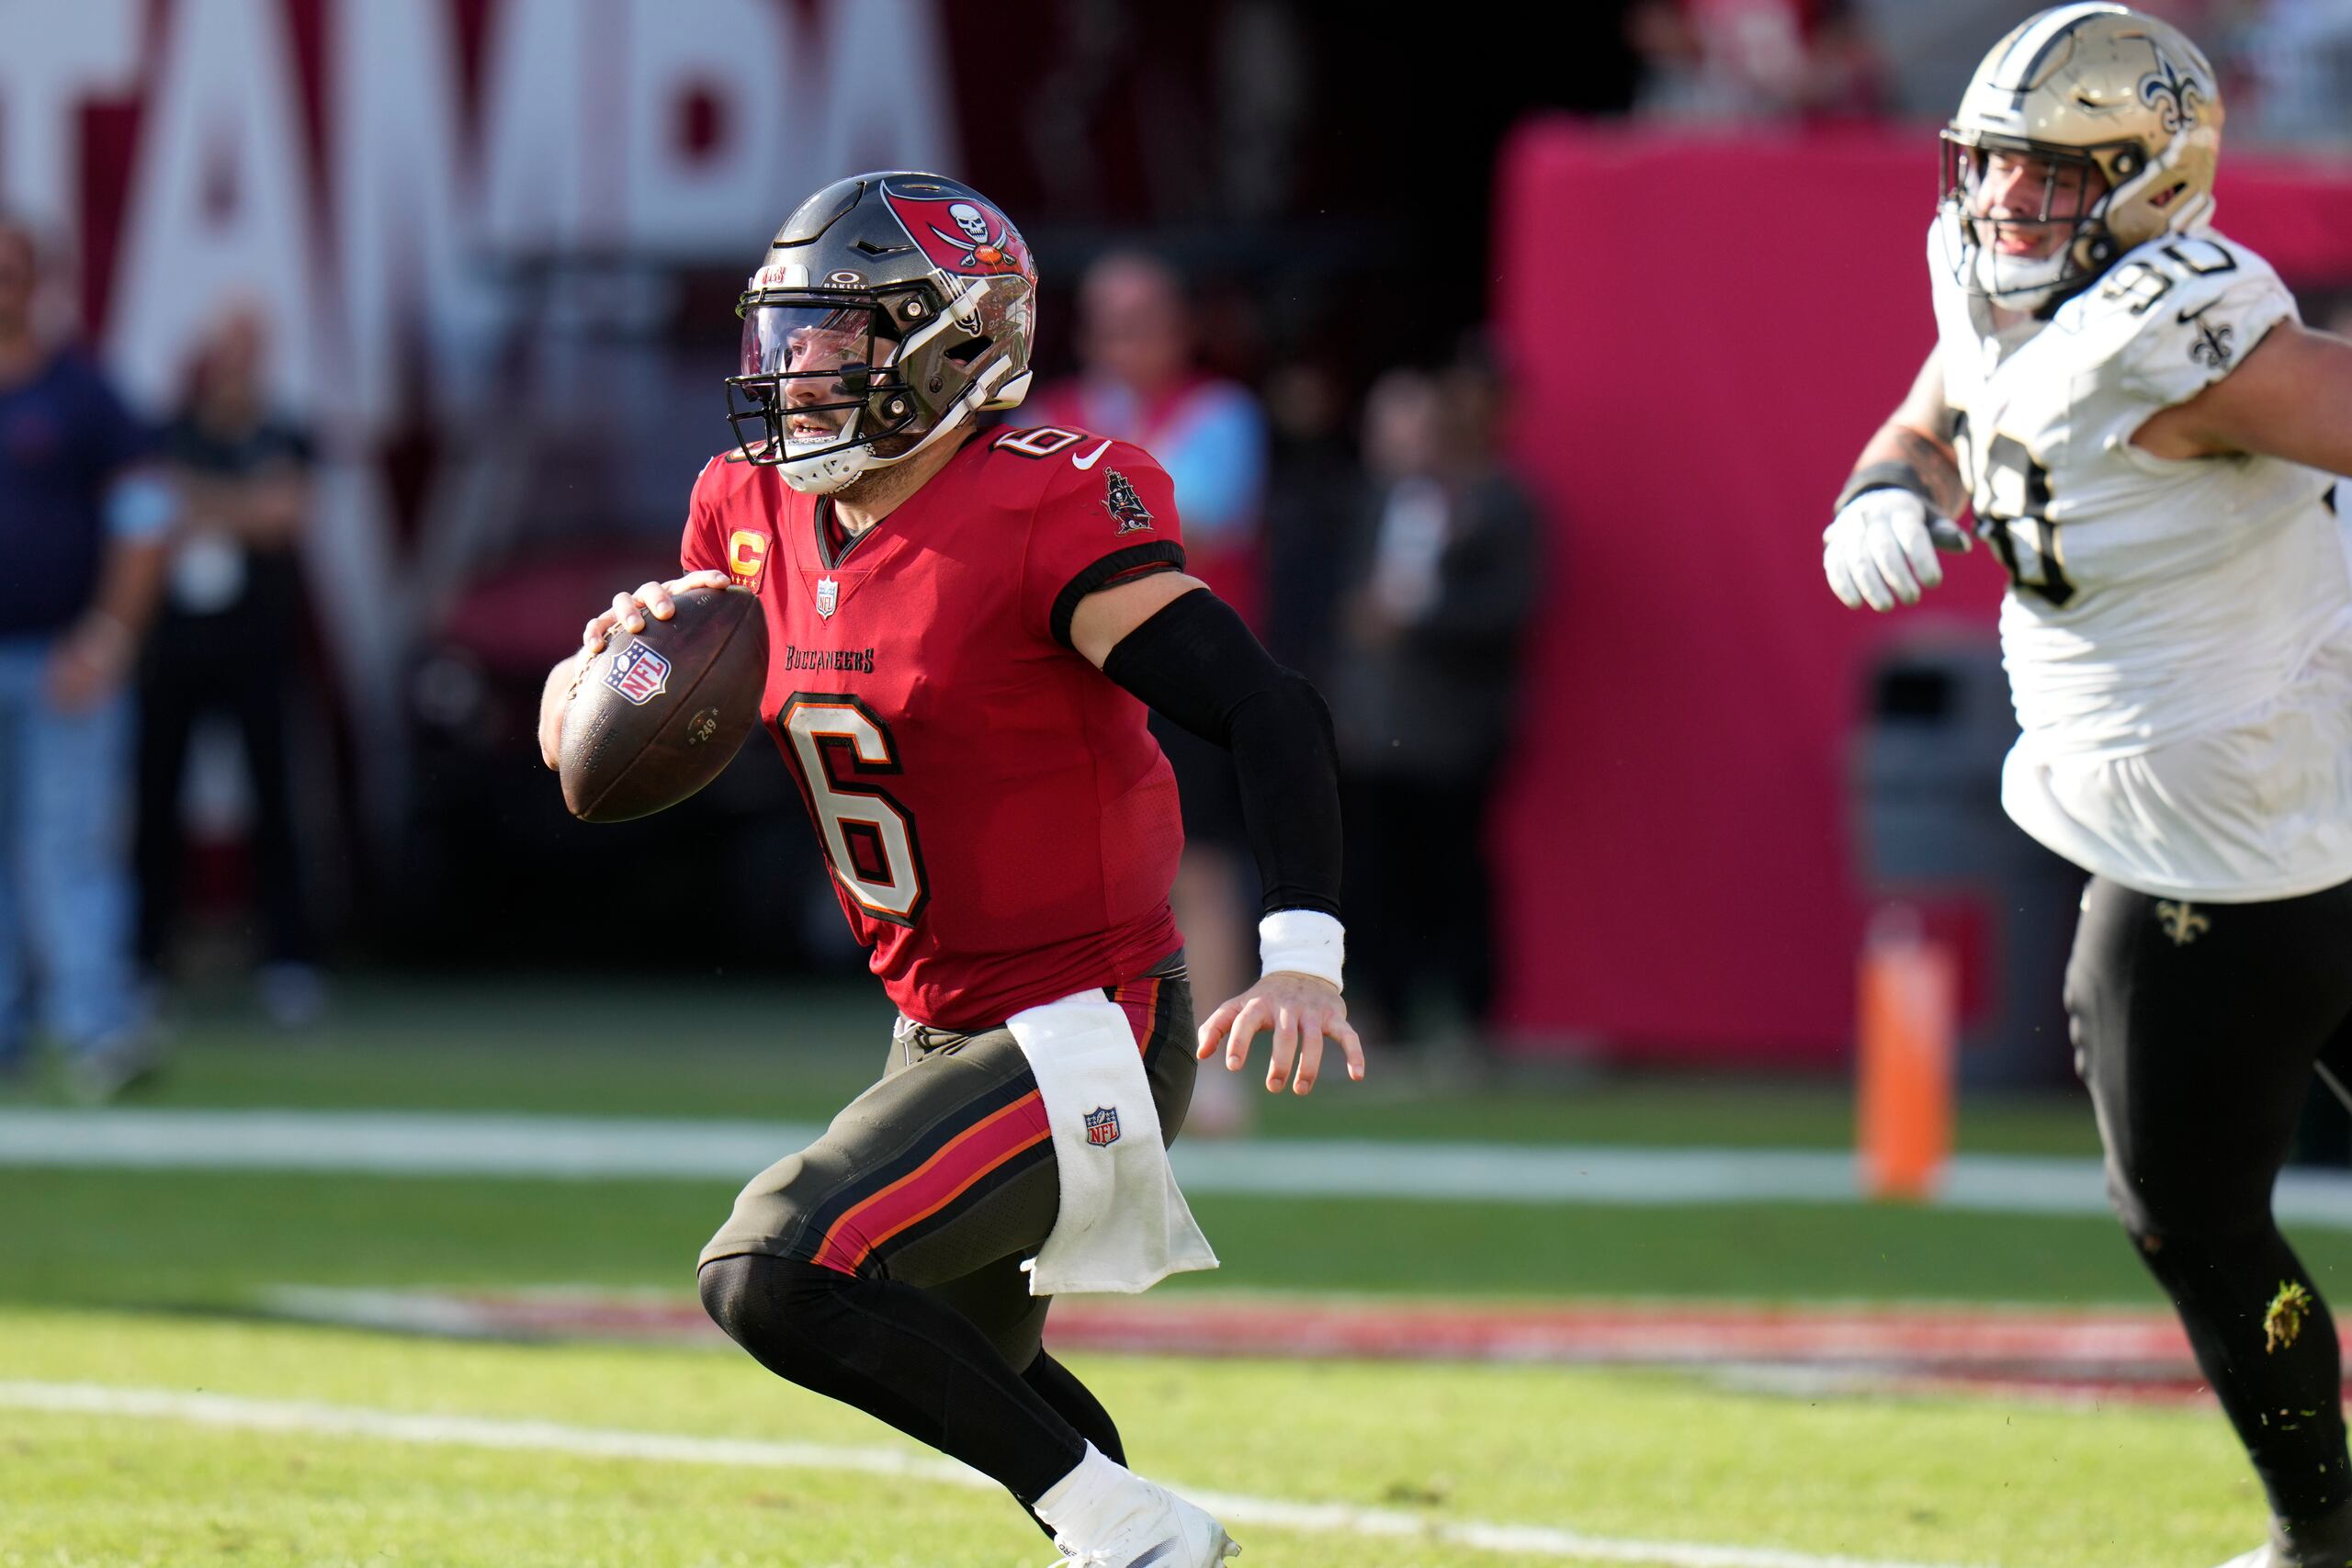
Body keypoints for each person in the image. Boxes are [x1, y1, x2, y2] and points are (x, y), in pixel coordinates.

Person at [536, 172, 1356, 1568]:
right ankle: (1134, 1533)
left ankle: (1131, 1528)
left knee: (774, 1264)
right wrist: (595, 670)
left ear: (949, 343)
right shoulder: (746, 505)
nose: (792, 366)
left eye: (832, 332)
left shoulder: (1043, 503)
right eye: (783, 332)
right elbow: (586, 766)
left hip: (1086, 1020)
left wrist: (1303, 954)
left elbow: (1262, 705)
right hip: (935, 1026)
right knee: (991, 1379)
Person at [1821, 10, 2352, 1564]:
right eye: (1988, 170)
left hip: (2228, 852)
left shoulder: (2179, 336)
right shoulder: (2006, 280)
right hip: (2250, 805)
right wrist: (1889, 479)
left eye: (2047, 182)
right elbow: (1951, 390)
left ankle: (2323, 1533)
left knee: (2185, 1205)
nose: (2000, 206)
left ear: (2145, 183)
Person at [1028, 255, 1270, 1126]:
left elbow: (1188, 524)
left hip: (1185, 677)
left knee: (1198, 868)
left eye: (1145, 320)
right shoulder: (1051, 416)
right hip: (1078, 685)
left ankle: (1212, 1068)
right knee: (1074, 876)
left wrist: (1079, 511)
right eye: (1112, 322)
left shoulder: (1220, 412)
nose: (1127, 341)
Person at [0, 212, 173, 1099]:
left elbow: (145, 518)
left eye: (14, 271)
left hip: (60, 657)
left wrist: (108, 634)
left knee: (69, 844)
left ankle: (95, 1025)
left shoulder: (80, 394)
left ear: (41, 284)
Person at [1329, 355, 1541, 1057]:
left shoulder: (1504, 504)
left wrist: (1419, 619)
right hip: (1376, 722)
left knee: (1452, 870)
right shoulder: (1383, 498)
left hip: (1454, 729)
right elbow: (1348, 606)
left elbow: (1508, 611)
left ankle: (1466, 1016)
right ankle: (1384, 1010)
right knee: (1373, 870)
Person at [136, 305, 322, 1025]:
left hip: (258, 650)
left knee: (275, 801)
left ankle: (290, 958)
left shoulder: (284, 432)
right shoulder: (169, 431)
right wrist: (240, 505)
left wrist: (202, 502)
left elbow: (284, 514)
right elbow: (154, 509)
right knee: (157, 803)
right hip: (177, 651)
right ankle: (145, 956)